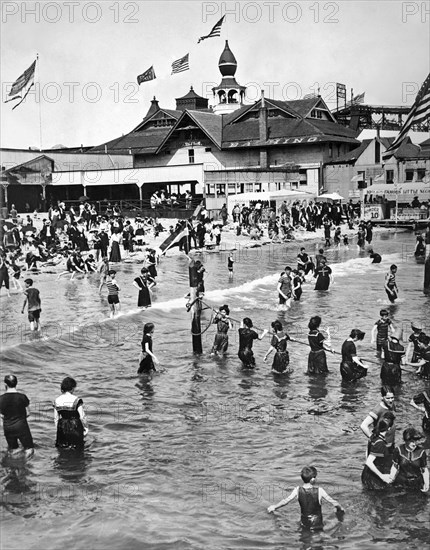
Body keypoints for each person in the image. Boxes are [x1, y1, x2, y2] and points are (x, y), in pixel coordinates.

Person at [267, 465, 344, 530]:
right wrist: (340, 509)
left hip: (304, 522)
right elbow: (334, 502)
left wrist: (274, 507)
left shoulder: (297, 490)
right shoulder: (320, 490)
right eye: (315, 477)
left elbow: (285, 501)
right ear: (313, 479)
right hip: (317, 523)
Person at [0, 375, 34, 459]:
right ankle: (25, 464)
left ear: (5, 385)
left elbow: (1, 415)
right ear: (16, 383)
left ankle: (12, 464)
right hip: (21, 426)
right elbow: (28, 413)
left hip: (8, 427)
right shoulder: (22, 397)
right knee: (29, 448)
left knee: (13, 449)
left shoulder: (1, 399)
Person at [389, 428, 429, 492]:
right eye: (412, 441)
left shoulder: (421, 452)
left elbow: (424, 469)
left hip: (417, 483)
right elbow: (395, 466)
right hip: (401, 482)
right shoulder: (398, 450)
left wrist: (427, 483)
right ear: (406, 440)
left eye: (416, 441)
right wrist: (391, 478)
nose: (414, 444)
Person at [54, 377, 88, 449]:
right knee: (77, 448)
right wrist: (86, 428)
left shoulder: (57, 400)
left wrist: (59, 429)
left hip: (62, 425)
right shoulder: (76, 400)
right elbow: (82, 416)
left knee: (63, 447)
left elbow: (56, 418)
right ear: (72, 388)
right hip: (75, 425)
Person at [360, 386, 397, 453]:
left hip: (390, 444)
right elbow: (363, 425)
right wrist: (372, 438)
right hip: (379, 446)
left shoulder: (392, 405)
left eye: (392, 398)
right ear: (382, 397)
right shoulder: (378, 410)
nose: (391, 400)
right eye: (388, 398)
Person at [361, 419, 393, 489]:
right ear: (389, 429)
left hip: (366, 474)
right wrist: (382, 476)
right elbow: (369, 462)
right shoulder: (380, 443)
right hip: (373, 479)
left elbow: (367, 452)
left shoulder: (373, 437)